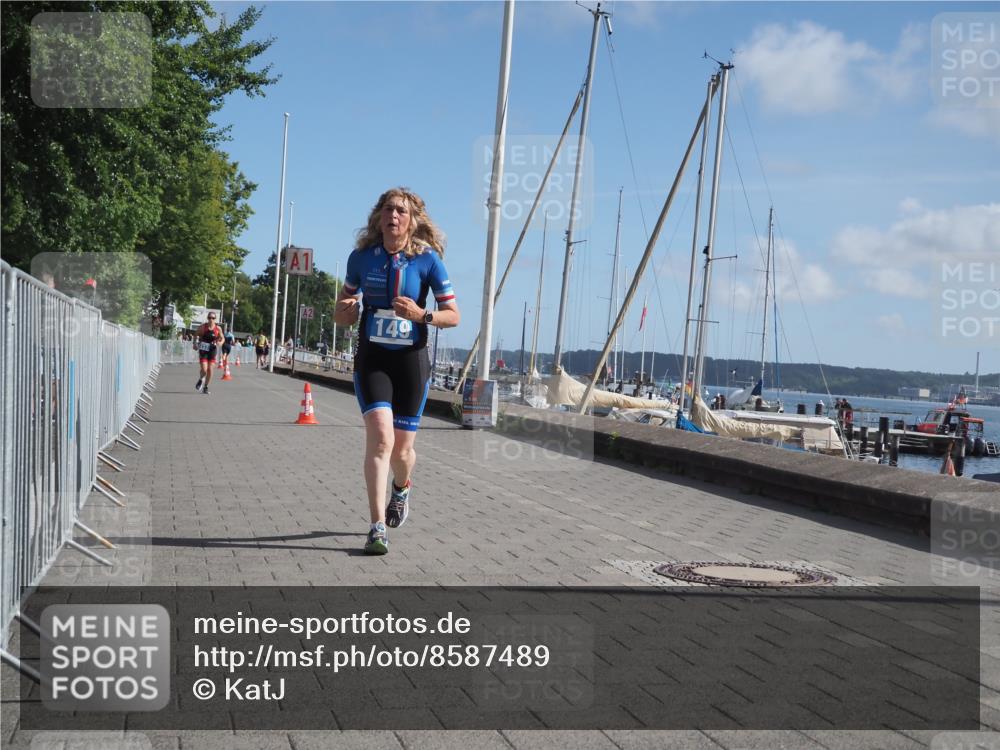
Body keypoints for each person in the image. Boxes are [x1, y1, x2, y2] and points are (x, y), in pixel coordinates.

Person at [334, 188, 459, 556]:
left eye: (401, 211)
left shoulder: (428, 261)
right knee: (381, 441)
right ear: (379, 217)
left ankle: (402, 488)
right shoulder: (360, 258)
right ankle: (375, 528)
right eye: (388, 209)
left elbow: (453, 316)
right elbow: (341, 312)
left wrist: (423, 315)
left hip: (411, 362)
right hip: (373, 358)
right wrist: (346, 312)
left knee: (402, 452)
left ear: (412, 219)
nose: (394, 215)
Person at [193, 313, 223, 394]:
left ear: (215, 319)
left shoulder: (218, 328)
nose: (211, 319)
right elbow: (195, 335)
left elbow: (222, 338)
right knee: (204, 369)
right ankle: (201, 379)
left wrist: (221, 343)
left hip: (212, 351)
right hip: (203, 350)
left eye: (213, 318)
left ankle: (205, 387)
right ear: (207, 318)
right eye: (209, 318)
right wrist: (195, 343)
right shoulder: (203, 327)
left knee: (210, 369)